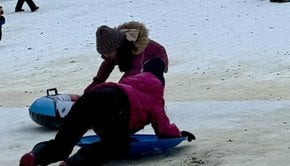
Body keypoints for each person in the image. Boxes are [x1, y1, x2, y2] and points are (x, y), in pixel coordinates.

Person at [19, 57, 191, 166]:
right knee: (117, 146)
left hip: (91, 97)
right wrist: (179, 135)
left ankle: (35, 156)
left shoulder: (132, 80)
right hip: (115, 103)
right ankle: (73, 164)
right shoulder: (155, 91)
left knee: (62, 143)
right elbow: (163, 128)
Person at [89, 22, 169, 91]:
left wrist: (116, 93)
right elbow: (100, 79)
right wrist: (87, 94)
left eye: (109, 52)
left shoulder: (135, 49)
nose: (107, 55)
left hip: (156, 56)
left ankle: (155, 102)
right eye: (104, 53)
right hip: (138, 61)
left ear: (118, 47)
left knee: (150, 79)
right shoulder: (111, 54)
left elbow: (133, 73)